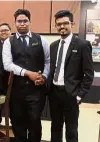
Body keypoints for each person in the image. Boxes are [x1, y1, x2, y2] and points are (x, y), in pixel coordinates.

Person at [2, 9, 50, 142]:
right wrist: (28, 73)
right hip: (16, 90)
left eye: (25, 21)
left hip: (36, 90)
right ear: (15, 23)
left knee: (35, 122)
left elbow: (48, 61)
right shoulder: (8, 42)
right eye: (19, 21)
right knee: (18, 123)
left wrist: (44, 76)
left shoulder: (41, 40)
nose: (22, 24)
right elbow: (7, 64)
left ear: (30, 22)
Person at [48, 10, 94, 142]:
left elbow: (89, 73)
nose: (62, 27)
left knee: (71, 129)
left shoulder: (82, 45)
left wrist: (80, 95)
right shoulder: (53, 46)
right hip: (54, 93)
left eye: (65, 23)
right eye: (58, 24)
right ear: (55, 26)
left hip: (72, 94)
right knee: (55, 127)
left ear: (72, 24)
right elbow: (52, 69)